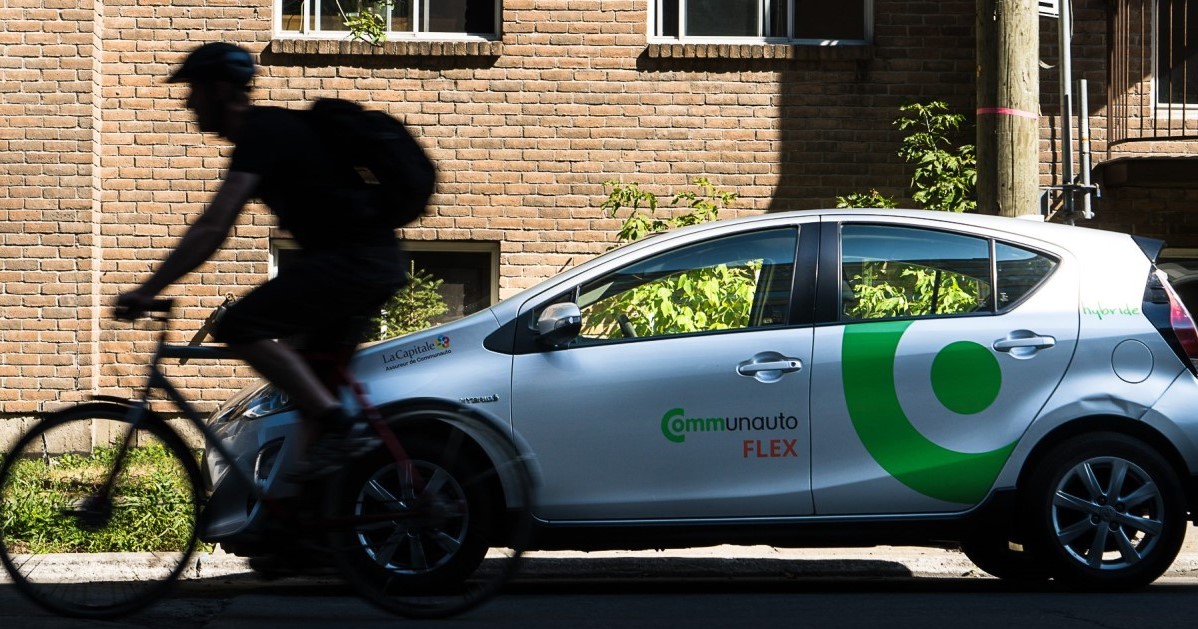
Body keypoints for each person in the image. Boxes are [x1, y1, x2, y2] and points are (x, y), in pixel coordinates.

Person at [116, 42, 408, 477]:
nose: (188, 102)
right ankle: (309, 507)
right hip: (360, 264)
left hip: (355, 264)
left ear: (219, 90)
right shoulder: (267, 132)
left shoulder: (262, 133)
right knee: (311, 393)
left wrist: (148, 290)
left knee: (239, 326)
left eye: (193, 90)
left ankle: (340, 426)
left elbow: (213, 226)